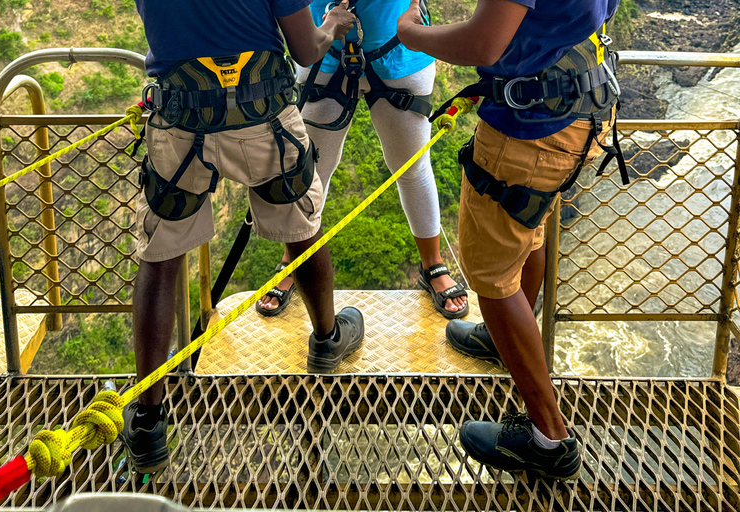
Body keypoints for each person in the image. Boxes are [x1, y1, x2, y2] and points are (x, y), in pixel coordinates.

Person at [124, 0, 364, 474]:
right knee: (302, 233)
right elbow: (305, 49)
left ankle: (149, 420)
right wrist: (333, 23)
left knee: (162, 258)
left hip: (181, 119)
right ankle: (326, 338)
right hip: (264, 119)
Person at [397, 0, 622, 479]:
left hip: (531, 129)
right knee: (528, 228)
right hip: (584, 107)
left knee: (491, 275)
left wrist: (410, 33)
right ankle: (507, 344)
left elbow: (483, 42)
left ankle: (549, 440)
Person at [256, 0, 469, 321]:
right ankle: (293, 260)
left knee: (412, 167)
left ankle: (433, 263)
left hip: (398, 50)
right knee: (310, 172)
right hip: (322, 46)